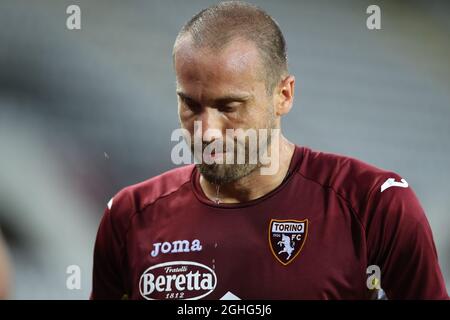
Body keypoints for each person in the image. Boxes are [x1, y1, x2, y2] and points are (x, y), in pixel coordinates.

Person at [91, 1, 448, 300]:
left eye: (229, 107)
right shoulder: (129, 217)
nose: (207, 131)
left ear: (284, 95)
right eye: (191, 105)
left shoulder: (374, 206)